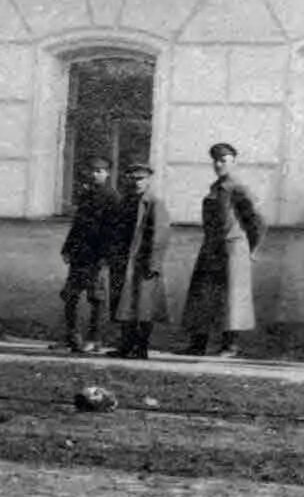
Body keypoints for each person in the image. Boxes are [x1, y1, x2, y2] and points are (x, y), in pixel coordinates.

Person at [180, 140, 265, 358]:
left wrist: (251, 249)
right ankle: (198, 344)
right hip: (211, 247)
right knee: (203, 296)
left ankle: (231, 346)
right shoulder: (216, 188)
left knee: (231, 299)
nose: (219, 164)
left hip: (232, 249)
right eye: (216, 160)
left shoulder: (238, 188)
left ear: (234, 162)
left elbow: (257, 221)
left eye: (224, 160)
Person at [57, 160, 126, 355]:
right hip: (79, 254)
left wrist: (106, 256)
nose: (95, 175)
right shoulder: (86, 195)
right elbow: (78, 225)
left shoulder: (113, 198)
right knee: (70, 295)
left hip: (97, 256)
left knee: (96, 298)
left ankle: (94, 339)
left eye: (99, 171)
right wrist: (67, 248)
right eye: (92, 171)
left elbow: (114, 232)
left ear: (107, 174)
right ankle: (72, 337)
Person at [110, 159, 169, 359]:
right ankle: (125, 345)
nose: (137, 182)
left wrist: (154, 263)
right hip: (125, 261)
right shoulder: (125, 201)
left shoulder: (154, 203)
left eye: (141, 178)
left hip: (144, 263)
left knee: (144, 307)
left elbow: (160, 235)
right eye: (133, 178)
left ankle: (141, 348)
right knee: (125, 306)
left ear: (149, 180)